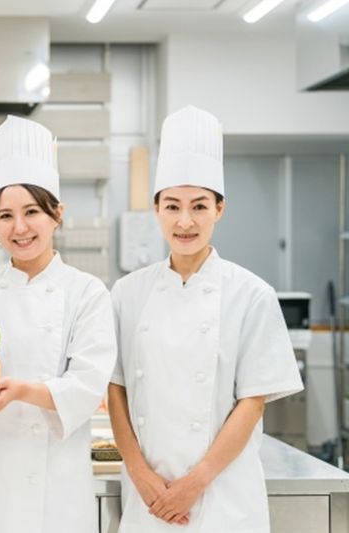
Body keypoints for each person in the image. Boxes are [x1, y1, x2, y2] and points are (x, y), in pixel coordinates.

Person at [108, 105, 304, 532]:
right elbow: (115, 388)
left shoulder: (251, 294)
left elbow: (252, 403)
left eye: (199, 206)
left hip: (222, 496)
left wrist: (193, 484)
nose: (185, 221)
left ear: (219, 209)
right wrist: (139, 473)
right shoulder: (127, 293)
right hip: (148, 497)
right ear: (156, 209)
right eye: (172, 206)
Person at [0, 115, 117, 533]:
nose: (19, 228)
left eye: (32, 211)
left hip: (51, 481)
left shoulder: (86, 292)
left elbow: (88, 386)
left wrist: (20, 392)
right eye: (5, 215)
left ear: (57, 214)